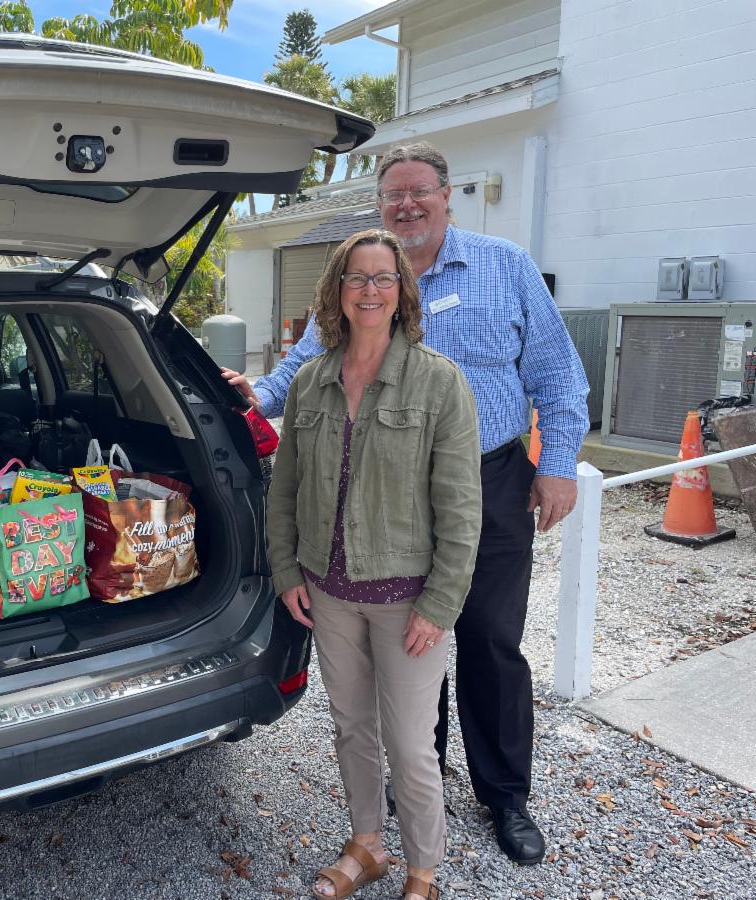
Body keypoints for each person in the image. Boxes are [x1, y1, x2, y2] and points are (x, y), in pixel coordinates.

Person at [226, 142, 590, 865]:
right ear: (379, 204)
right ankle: (421, 772)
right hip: (383, 491)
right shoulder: (363, 276)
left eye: (421, 191)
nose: (408, 204)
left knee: (487, 636)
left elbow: (557, 371)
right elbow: (305, 367)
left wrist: (557, 465)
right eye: (394, 194)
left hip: (487, 479)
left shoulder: (504, 266)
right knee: (412, 640)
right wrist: (251, 398)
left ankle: (504, 794)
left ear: (447, 196)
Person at [267, 228, 481, 900]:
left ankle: (423, 871)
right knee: (352, 727)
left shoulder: (438, 383)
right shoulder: (310, 382)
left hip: (407, 602)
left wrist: (440, 604)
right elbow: (285, 488)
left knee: (413, 746)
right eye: (356, 277)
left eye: (383, 277)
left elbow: (461, 509)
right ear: (336, 291)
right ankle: (367, 845)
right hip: (328, 594)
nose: (369, 289)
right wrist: (286, 570)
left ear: (402, 291)